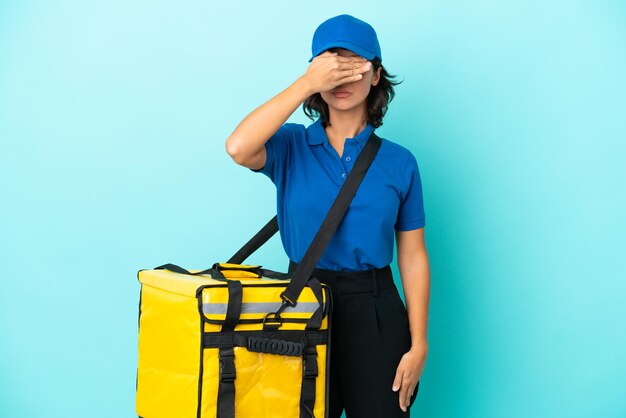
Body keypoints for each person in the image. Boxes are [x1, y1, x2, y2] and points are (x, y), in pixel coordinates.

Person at [225, 14, 430, 418]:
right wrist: (306, 83)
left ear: (376, 77)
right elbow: (238, 146)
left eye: (355, 66)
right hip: (302, 302)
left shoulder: (400, 162)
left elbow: (413, 255)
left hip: (375, 308)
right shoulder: (290, 146)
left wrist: (419, 343)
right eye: (332, 66)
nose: (343, 78)